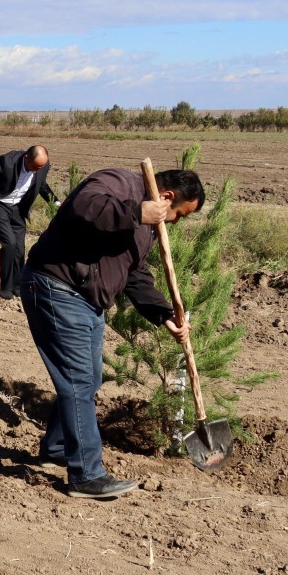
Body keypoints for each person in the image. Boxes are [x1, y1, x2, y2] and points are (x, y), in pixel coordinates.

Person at [21, 166, 204, 500]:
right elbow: (83, 206)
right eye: (180, 214)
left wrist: (164, 314)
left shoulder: (147, 227)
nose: (177, 223)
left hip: (88, 300)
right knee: (78, 381)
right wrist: (135, 212)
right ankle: (86, 476)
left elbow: (135, 273)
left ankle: (57, 448)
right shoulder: (119, 183)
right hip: (57, 287)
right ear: (166, 198)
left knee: (88, 380)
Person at [0, 145, 60, 299]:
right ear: (26, 158)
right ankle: (6, 288)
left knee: (19, 247)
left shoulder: (42, 166)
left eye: (41, 167)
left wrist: (56, 203)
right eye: (35, 166)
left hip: (18, 207)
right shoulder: (7, 163)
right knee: (9, 243)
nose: (38, 170)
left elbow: (42, 185)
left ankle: (18, 286)